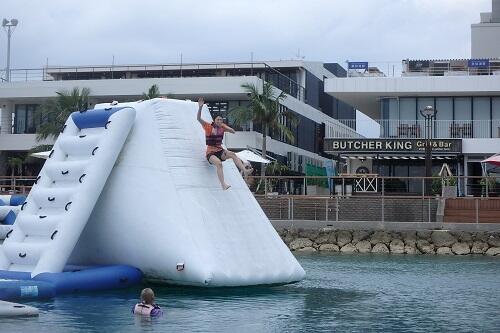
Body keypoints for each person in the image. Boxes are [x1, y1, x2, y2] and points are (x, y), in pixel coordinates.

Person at [197, 97, 253, 190]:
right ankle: (223, 184)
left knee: (233, 154)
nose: (219, 121)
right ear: (214, 120)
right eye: (218, 120)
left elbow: (233, 131)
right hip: (211, 153)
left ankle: (245, 171)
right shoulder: (208, 126)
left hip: (220, 151)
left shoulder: (222, 127)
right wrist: (200, 107)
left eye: (221, 120)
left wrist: (228, 128)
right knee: (219, 164)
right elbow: (198, 118)